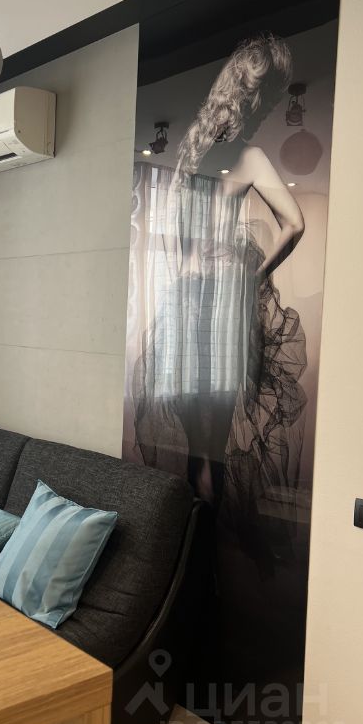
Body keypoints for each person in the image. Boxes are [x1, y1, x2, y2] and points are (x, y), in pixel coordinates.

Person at [132, 34, 305, 506]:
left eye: (266, 95)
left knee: (204, 444)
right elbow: (293, 224)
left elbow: (178, 245)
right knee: (205, 444)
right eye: (255, 91)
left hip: (193, 305)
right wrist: (252, 275)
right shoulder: (231, 155)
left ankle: (197, 533)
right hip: (206, 307)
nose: (258, 105)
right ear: (239, 87)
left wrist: (247, 275)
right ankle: (200, 533)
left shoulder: (196, 151)